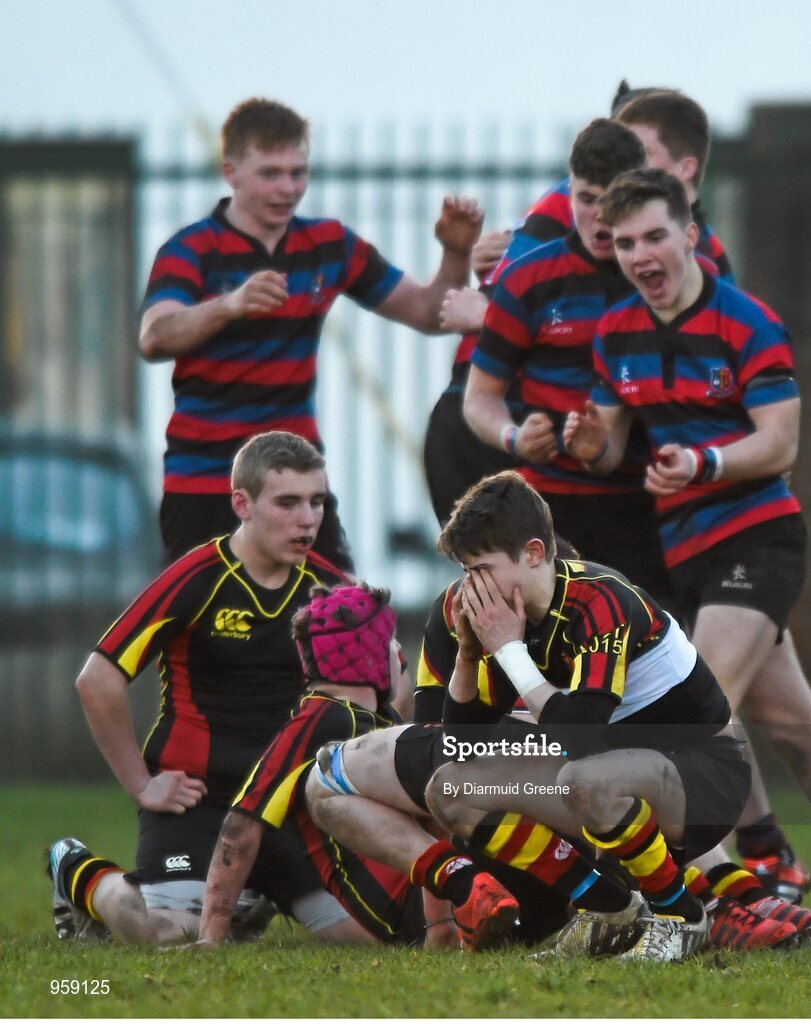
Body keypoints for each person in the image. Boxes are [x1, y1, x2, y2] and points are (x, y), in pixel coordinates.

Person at [564, 168, 811, 939]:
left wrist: (704, 465)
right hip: (691, 556)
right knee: (799, 731)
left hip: (758, 538)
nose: (641, 254)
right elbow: (608, 449)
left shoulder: (747, 322)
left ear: (692, 234)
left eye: (656, 235)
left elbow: (780, 442)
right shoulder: (616, 333)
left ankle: (718, 903)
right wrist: (584, 441)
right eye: (627, 242)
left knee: (696, 710)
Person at [46, 431, 373, 945]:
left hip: (287, 801)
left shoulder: (334, 593)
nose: (307, 519)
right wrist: (141, 783)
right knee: (168, 936)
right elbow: (97, 679)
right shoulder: (197, 578)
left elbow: (384, 693)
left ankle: (248, 892)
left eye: (317, 502)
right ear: (242, 503)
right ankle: (76, 869)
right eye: (287, 502)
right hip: (197, 799)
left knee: (367, 936)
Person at [415, 470, 753, 961]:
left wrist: (509, 652)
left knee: (583, 775)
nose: (473, 588)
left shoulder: (601, 599)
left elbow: (581, 735)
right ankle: (612, 910)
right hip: (618, 772)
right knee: (450, 788)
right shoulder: (511, 619)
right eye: (467, 572)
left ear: (533, 553)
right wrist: (468, 655)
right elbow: (463, 743)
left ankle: (683, 916)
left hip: (707, 777)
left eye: (482, 569)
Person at [140, 97, 483, 568]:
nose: (287, 188)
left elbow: (430, 312)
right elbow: (155, 335)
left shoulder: (328, 245)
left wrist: (455, 254)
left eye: (298, 173)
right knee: (203, 634)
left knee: (342, 621)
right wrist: (229, 305)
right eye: (270, 174)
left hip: (296, 482)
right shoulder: (191, 248)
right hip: (205, 481)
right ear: (230, 172)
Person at [463, 118, 676, 602]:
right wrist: (514, 436)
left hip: (647, 502)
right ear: (569, 192)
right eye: (586, 199)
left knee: (647, 663)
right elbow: (480, 398)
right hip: (547, 505)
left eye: (614, 199)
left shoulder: (667, 280)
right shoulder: (528, 279)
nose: (599, 216)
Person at [195, 583, 458, 950]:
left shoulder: (372, 719)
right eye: (390, 641)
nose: (399, 653)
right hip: (402, 915)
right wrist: (210, 937)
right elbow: (239, 827)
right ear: (369, 657)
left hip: (420, 899)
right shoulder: (320, 718)